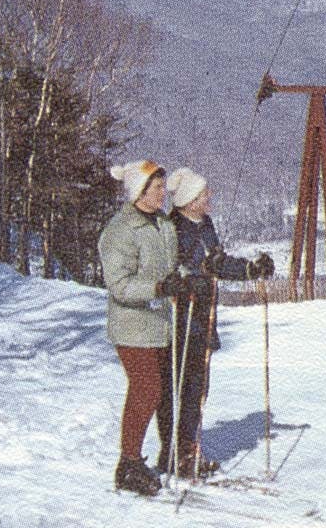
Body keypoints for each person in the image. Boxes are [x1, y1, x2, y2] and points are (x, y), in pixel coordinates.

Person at [156, 166, 275, 478]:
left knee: (197, 387)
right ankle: (172, 451)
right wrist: (189, 278)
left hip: (204, 317)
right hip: (179, 318)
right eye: (204, 193)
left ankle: (189, 447)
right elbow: (171, 270)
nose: (209, 197)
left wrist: (250, 269)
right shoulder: (173, 228)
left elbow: (216, 263)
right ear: (190, 199)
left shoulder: (204, 224)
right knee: (177, 385)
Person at [98, 160, 192, 497]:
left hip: (159, 324)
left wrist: (180, 281)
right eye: (156, 187)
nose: (163, 192)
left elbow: (171, 265)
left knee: (158, 391)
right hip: (132, 326)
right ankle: (128, 463)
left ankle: (155, 455)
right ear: (139, 191)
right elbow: (120, 285)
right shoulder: (120, 231)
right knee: (147, 389)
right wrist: (159, 288)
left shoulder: (162, 224)